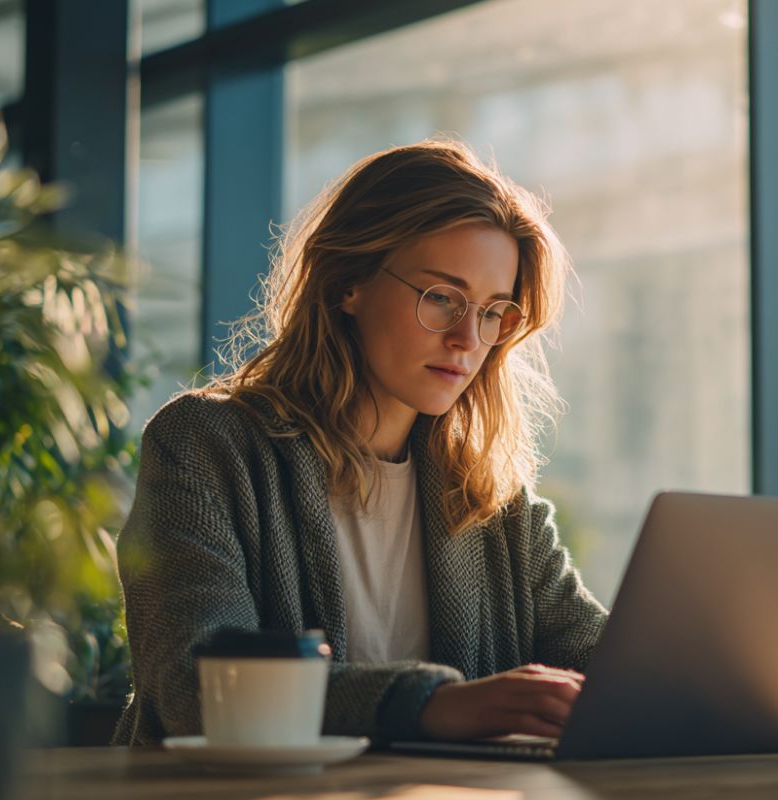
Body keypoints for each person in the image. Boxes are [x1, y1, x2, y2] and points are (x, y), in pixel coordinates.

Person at [111, 139, 608, 747]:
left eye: (492, 311)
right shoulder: (204, 445)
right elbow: (194, 686)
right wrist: (429, 705)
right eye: (441, 298)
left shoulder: (491, 498)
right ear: (349, 281)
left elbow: (605, 666)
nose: (466, 339)